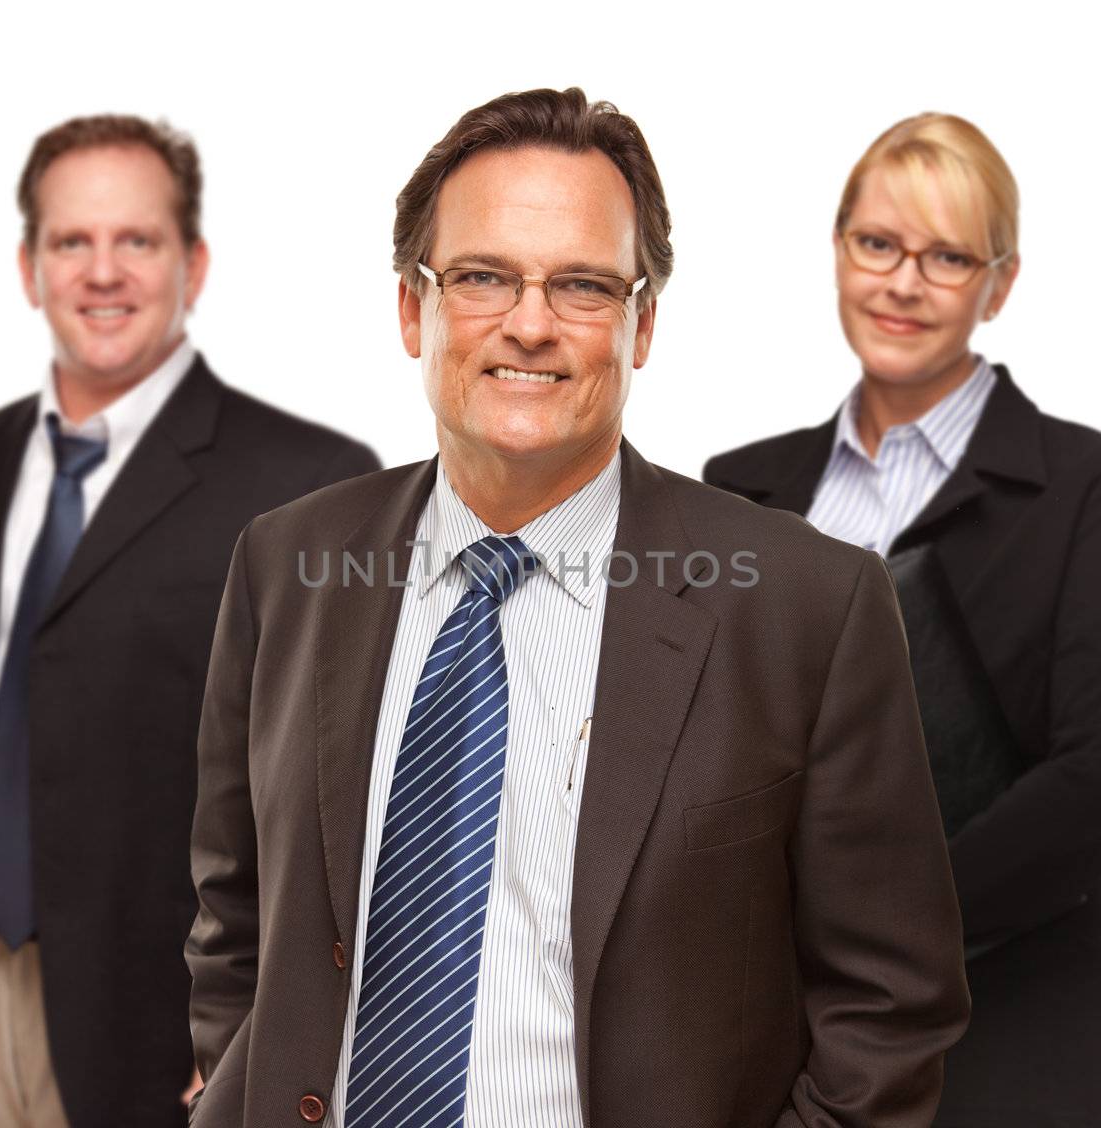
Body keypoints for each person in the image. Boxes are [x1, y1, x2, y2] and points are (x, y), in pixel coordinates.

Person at [185, 87, 969, 1128]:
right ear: (412, 307)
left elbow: (889, 1009)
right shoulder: (288, 563)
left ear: (641, 325)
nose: (529, 323)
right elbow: (233, 915)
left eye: (584, 286)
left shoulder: (805, 609)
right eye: (481, 276)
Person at [0, 114, 380, 1128]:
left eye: (136, 241)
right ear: (29, 266)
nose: (103, 273)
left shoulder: (309, 483)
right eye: (72, 242)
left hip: (162, 1022)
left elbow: (340, 800)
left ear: (193, 263)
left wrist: (256, 1022)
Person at [705, 113, 1101, 1127]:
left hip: (1015, 1018)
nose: (902, 283)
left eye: (947, 256)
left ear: (998, 284)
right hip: (783, 1029)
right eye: (877, 244)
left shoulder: (1092, 488)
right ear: (836, 251)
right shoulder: (739, 492)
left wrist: (878, 935)